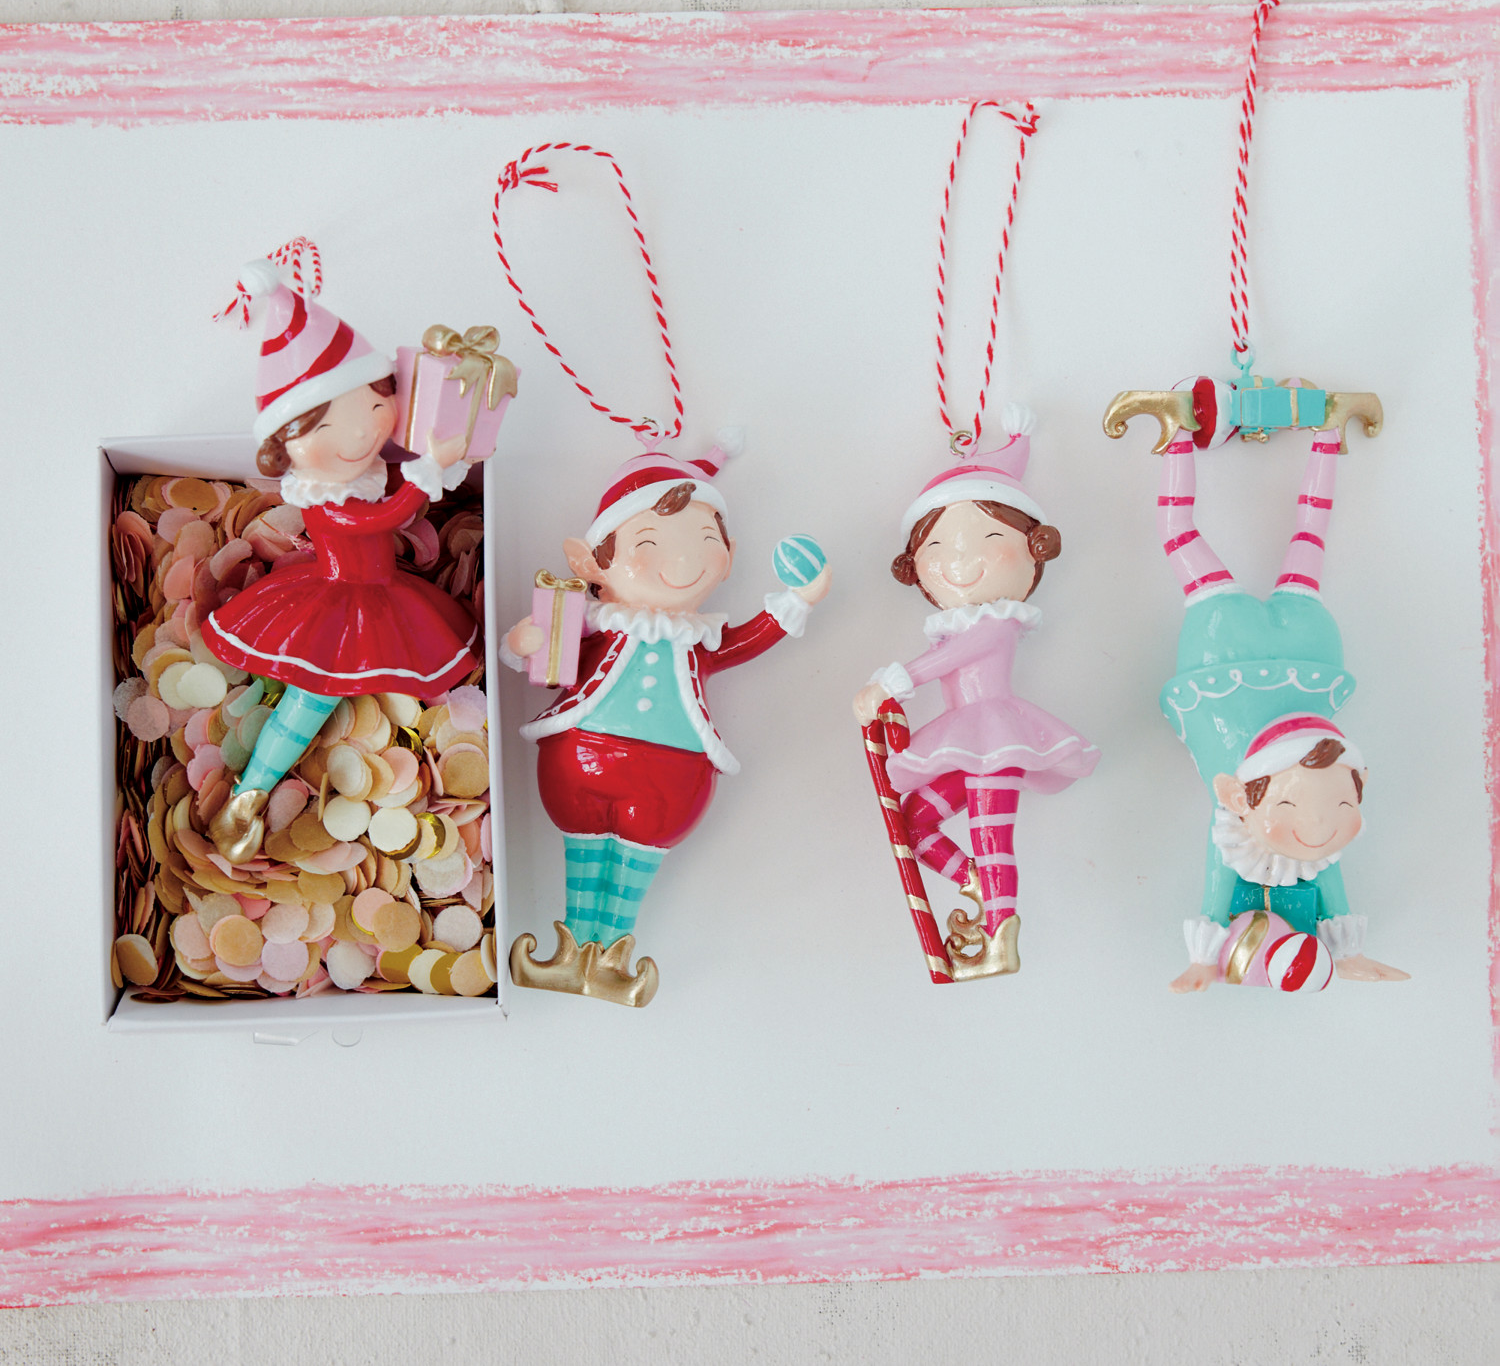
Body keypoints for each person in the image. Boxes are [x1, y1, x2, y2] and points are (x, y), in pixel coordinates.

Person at [500, 435, 831, 1005]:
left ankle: (609, 960)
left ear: (727, 556)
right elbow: (546, 655)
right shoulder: (592, 623)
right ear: (590, 562)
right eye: (649, 542)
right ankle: (572, 952)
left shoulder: (700, 638)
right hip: (580, 757)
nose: (683, 561)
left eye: (705, 541)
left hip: (673, 774)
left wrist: (799, 598)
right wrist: (526, 640)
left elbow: (747, 641)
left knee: (636, 859)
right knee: (585, 851)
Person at [203, 258, 477, 863]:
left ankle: (251, 793)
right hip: (337, 597)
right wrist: (427, 474)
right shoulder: (322, 497)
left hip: (379, 588)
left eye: (375, 406)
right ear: (284, 445)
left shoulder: (366, 473)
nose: (360, 433)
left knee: (325, 694)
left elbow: (389, 504)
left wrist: (434, 461)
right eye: (327, 424)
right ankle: (249, 796)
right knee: (312, 698)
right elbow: (375, 520)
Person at [1155, 423, 1408, 991]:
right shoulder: (1238, 812)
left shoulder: (1239, 820)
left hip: (1294, 645)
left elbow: (1235, 887)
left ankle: (1322, 434)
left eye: (1339, 805)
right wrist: (1349, 954)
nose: (1319, 829)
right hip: (1239, 649)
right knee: (1186, 534)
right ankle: (1310, 435)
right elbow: (1322, 877)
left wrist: (1202, 962)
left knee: (1303, 535)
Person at [853, 407, 1099, 974]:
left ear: (1034, 548)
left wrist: (895, 680)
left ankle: (1000, 938)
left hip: (997, 734)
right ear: (916, 563)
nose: (959, 560)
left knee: (992, 836)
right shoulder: (954, 625)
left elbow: (956, 657)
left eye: (990, 538)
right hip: (965, 739)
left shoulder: (996, 624)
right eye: (937, 545)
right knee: (915, 823)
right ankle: (979, 888)